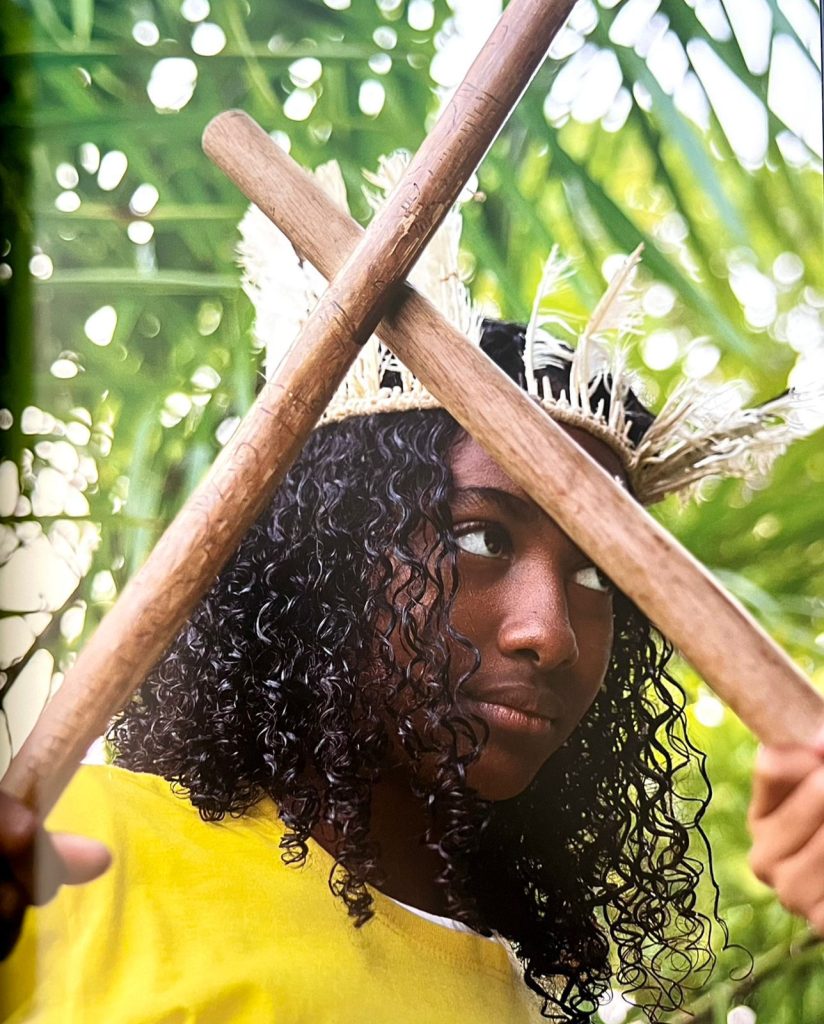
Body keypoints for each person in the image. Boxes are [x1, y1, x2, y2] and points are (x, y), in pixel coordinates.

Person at [1, 185, 822, 1023]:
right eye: (481, 538)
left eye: (599, 577)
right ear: (329, 555)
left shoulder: (525, 1007)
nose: (551, 634)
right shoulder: (69, 856)